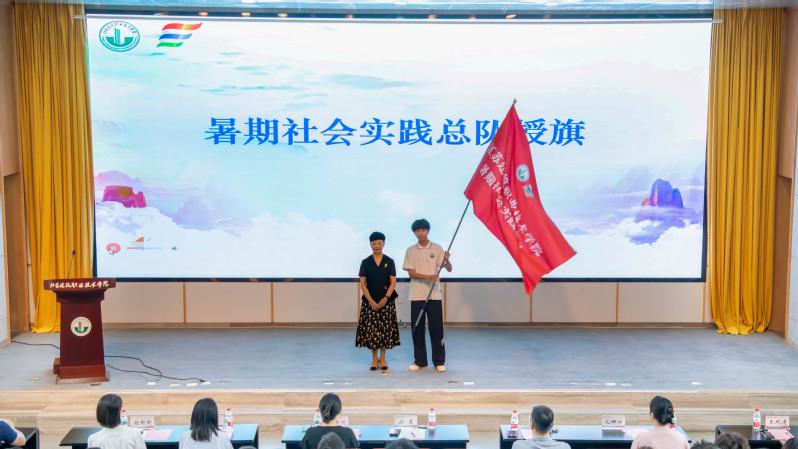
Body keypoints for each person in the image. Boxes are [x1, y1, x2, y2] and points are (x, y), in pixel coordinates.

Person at [403, 218, 451, 372]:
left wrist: (447, 260)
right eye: (417, 231)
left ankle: (439, 361)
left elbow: (448, 268)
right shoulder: (411, 250)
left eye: (423, 230)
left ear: (428, 231)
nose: (420, 233)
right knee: (417, 329)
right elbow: (411, 273)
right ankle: (420, 361)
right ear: (414, 233)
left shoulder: (437, 248)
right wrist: (429, 277)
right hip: (416, 295)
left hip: (434, 295)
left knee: (436, 329)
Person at [355, 231, 400, 370]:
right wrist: (371, 301)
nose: (377, 246)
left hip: (387, 302)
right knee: (372, 332)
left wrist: (385, 298)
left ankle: (383, 359)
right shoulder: (365, 262)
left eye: (379, 243)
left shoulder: (389, 261)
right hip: (370, 303)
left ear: (384, 244)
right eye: (374, 243)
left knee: (385, 331)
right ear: (370, 244)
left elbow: (393, 282)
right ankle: (374, 360)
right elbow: (363, 284)